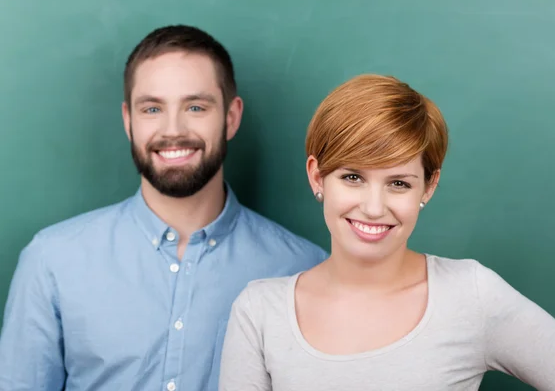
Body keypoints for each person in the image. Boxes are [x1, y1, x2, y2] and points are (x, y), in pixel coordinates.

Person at [218, 74, 555, 390]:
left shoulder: (472, 295)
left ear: (428, 187)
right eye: (352, 177)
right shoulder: (259, 312)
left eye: (398, 183)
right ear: (317, 176)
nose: (372, 206)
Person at [0, 24, 328, 391]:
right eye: (152, 108)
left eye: (196, 106)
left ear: (231, 118)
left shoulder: (304, 272)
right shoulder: (51, 262)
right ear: (129, 120)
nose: (173, 129)